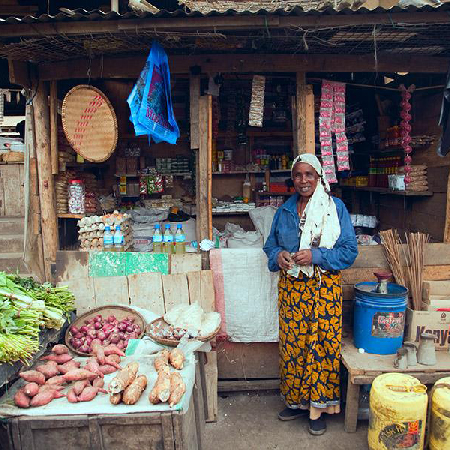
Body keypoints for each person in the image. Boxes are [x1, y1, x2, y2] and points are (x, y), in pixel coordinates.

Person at [263, 154, 358, 436]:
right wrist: (278, 255)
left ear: (319, 177)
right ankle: (295, 402)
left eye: (309, 175)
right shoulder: (285, 211)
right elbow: (270, 245)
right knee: (293, 345)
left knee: (320, 346)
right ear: (292, 179)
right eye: (297, 175)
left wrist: (315, 255)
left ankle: (318, 409)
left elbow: (349, 251)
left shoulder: (333, 208)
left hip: (322, 290)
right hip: (292, 290)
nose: (303, 180)